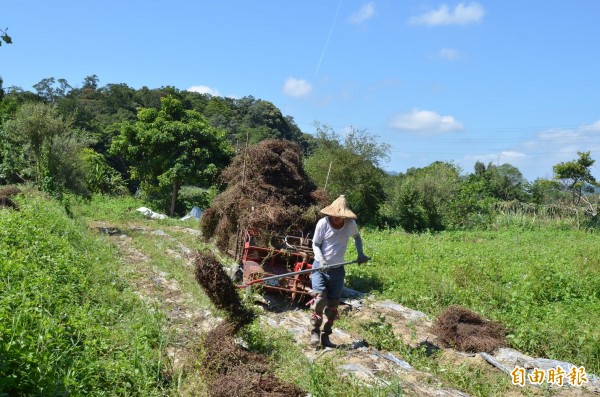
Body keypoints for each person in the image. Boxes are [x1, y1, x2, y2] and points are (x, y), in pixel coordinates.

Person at [309, 195, 369, 347]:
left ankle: (326, 336)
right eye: (334, 216)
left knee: (333, 306)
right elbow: (315, 244)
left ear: (345, 216)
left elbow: (357, 238)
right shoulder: (323, 223)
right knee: (320, 300)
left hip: (337, 270)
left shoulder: (350, 224)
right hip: (319, 268)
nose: (337, 219)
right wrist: (322, 260)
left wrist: (360, 254)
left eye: (340, 216)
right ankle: (315, 332)